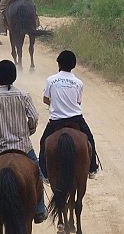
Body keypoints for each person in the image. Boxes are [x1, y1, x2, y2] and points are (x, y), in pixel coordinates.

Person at [0, 59, 47, 225]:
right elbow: (34, 117)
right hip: (23, 146)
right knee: (38, 172)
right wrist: (28, 131)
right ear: (14, 76)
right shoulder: (24, 95)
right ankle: (39, 210)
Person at [39, 50, 99, 181]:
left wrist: (54, 103)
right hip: (76, 118)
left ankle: (45, 174)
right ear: (73, 65)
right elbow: (78, 101)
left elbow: (45, 99)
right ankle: (92, 168)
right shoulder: (78, 82)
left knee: (43, 142)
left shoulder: (51, 80)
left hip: (56, 120)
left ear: (59, 64)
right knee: (90, 139)